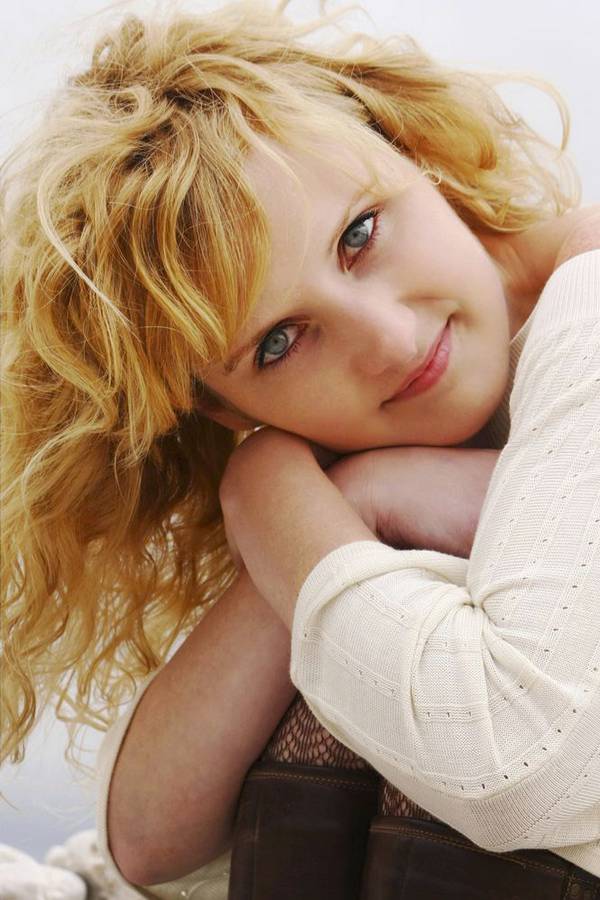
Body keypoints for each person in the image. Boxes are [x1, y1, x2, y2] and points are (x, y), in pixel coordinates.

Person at [1, 1, 598, 898]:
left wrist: (325, 510)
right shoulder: (325, 465)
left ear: (407, 147)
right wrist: (301, 498)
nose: (388, 339)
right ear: (220, 408)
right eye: (279, 343)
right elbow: (149, 840)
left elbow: (521, 763)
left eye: (360, 235)